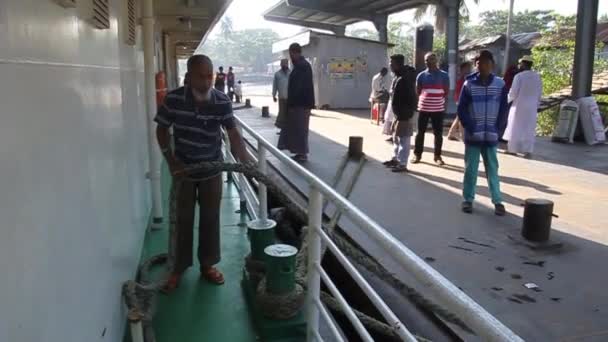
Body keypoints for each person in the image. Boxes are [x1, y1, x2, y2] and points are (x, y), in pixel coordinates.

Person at [155, 54, 250, 292]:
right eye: (201, 76)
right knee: (182, 219)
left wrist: (245, 162)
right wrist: (170, 161)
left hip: (212, 169)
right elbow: (162, 130)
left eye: (210, 76)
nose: (207, 81)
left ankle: (207, 265)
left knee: (210, 218)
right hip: (183, 171)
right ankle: (178, 268)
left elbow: (233, 133)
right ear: (189, 77)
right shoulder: (174, 99)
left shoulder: (221, 101)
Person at [457, 50, 508, 216]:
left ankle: (498, 201)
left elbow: (503, 109)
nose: (482, 66)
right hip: (473, 135)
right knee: (470, 169)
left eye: (485, 63)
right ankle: (468, 200)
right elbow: (462, 109)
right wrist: (470, 126)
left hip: (491, 135)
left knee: (492, 168)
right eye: (478, 63)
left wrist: (499, 128)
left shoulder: (500, 84)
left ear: (491, 64)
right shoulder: (469, 84)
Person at [277, 43, 314, 163]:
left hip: (300, 104)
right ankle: (299, 152)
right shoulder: (300, 66)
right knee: (297, 128)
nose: (290, 57)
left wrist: (292, 104)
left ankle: (302, 153)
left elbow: (299, 87)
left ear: (295, 52)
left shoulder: (302, 66)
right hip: (299, 103)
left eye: (291, 54)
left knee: (301, 128)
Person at [382, 55, 418, 173]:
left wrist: (406, 114)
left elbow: (412, 98)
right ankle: (396, 159)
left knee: (404, 139)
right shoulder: (397, 77)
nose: (390, 65)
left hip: (404, 114)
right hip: (397, 113)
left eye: (392, 63)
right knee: (396, 137)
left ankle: (402, 164)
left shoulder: (405, 78)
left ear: (398, 64)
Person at [413, 52, 449, 166]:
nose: (429, 61)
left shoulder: (444, 75)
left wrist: (440, 104)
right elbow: (418, 92)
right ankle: (417, 154)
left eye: (432, 59)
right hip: (423, 109)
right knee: (420, 133)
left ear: (436, 60)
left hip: (438, 109)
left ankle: (437, 156)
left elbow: (446, 92)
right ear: (425, 62)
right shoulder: (421, 76)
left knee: (438, 134)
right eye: (427, 60)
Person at [503, 56, 543, 158]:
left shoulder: (519, 76)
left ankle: (512, 149)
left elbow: (513, 93)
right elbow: (539, 93)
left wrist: (505, 101)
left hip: (519, 106)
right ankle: (528, 150)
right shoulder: (537, 77)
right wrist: (537, 104)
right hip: (532, 107)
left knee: (515, 126)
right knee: (529, 128)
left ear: (523, 64)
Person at [447, 61, 473, 141]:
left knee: (459, 117)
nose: (469, 69)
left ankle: (451, 133)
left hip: (461, 99)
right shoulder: (463, 79)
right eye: (468, 68)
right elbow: (459, 91)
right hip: (461, 100)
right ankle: (462, 136)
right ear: (463, 69)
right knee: (461, 118)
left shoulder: (464, 78)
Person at [272, 59, 291, 130]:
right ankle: (282, 128)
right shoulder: (277, 74)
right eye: (283, 64)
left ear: (287, 64)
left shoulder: (291, 73)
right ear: (280, 65)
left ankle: (288, 128)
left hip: (290, 97)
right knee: (282, 113)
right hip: (281, 98)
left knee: (289, 113)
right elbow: (275, 86)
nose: (284, 65)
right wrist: (274, 95)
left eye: (285, 64)